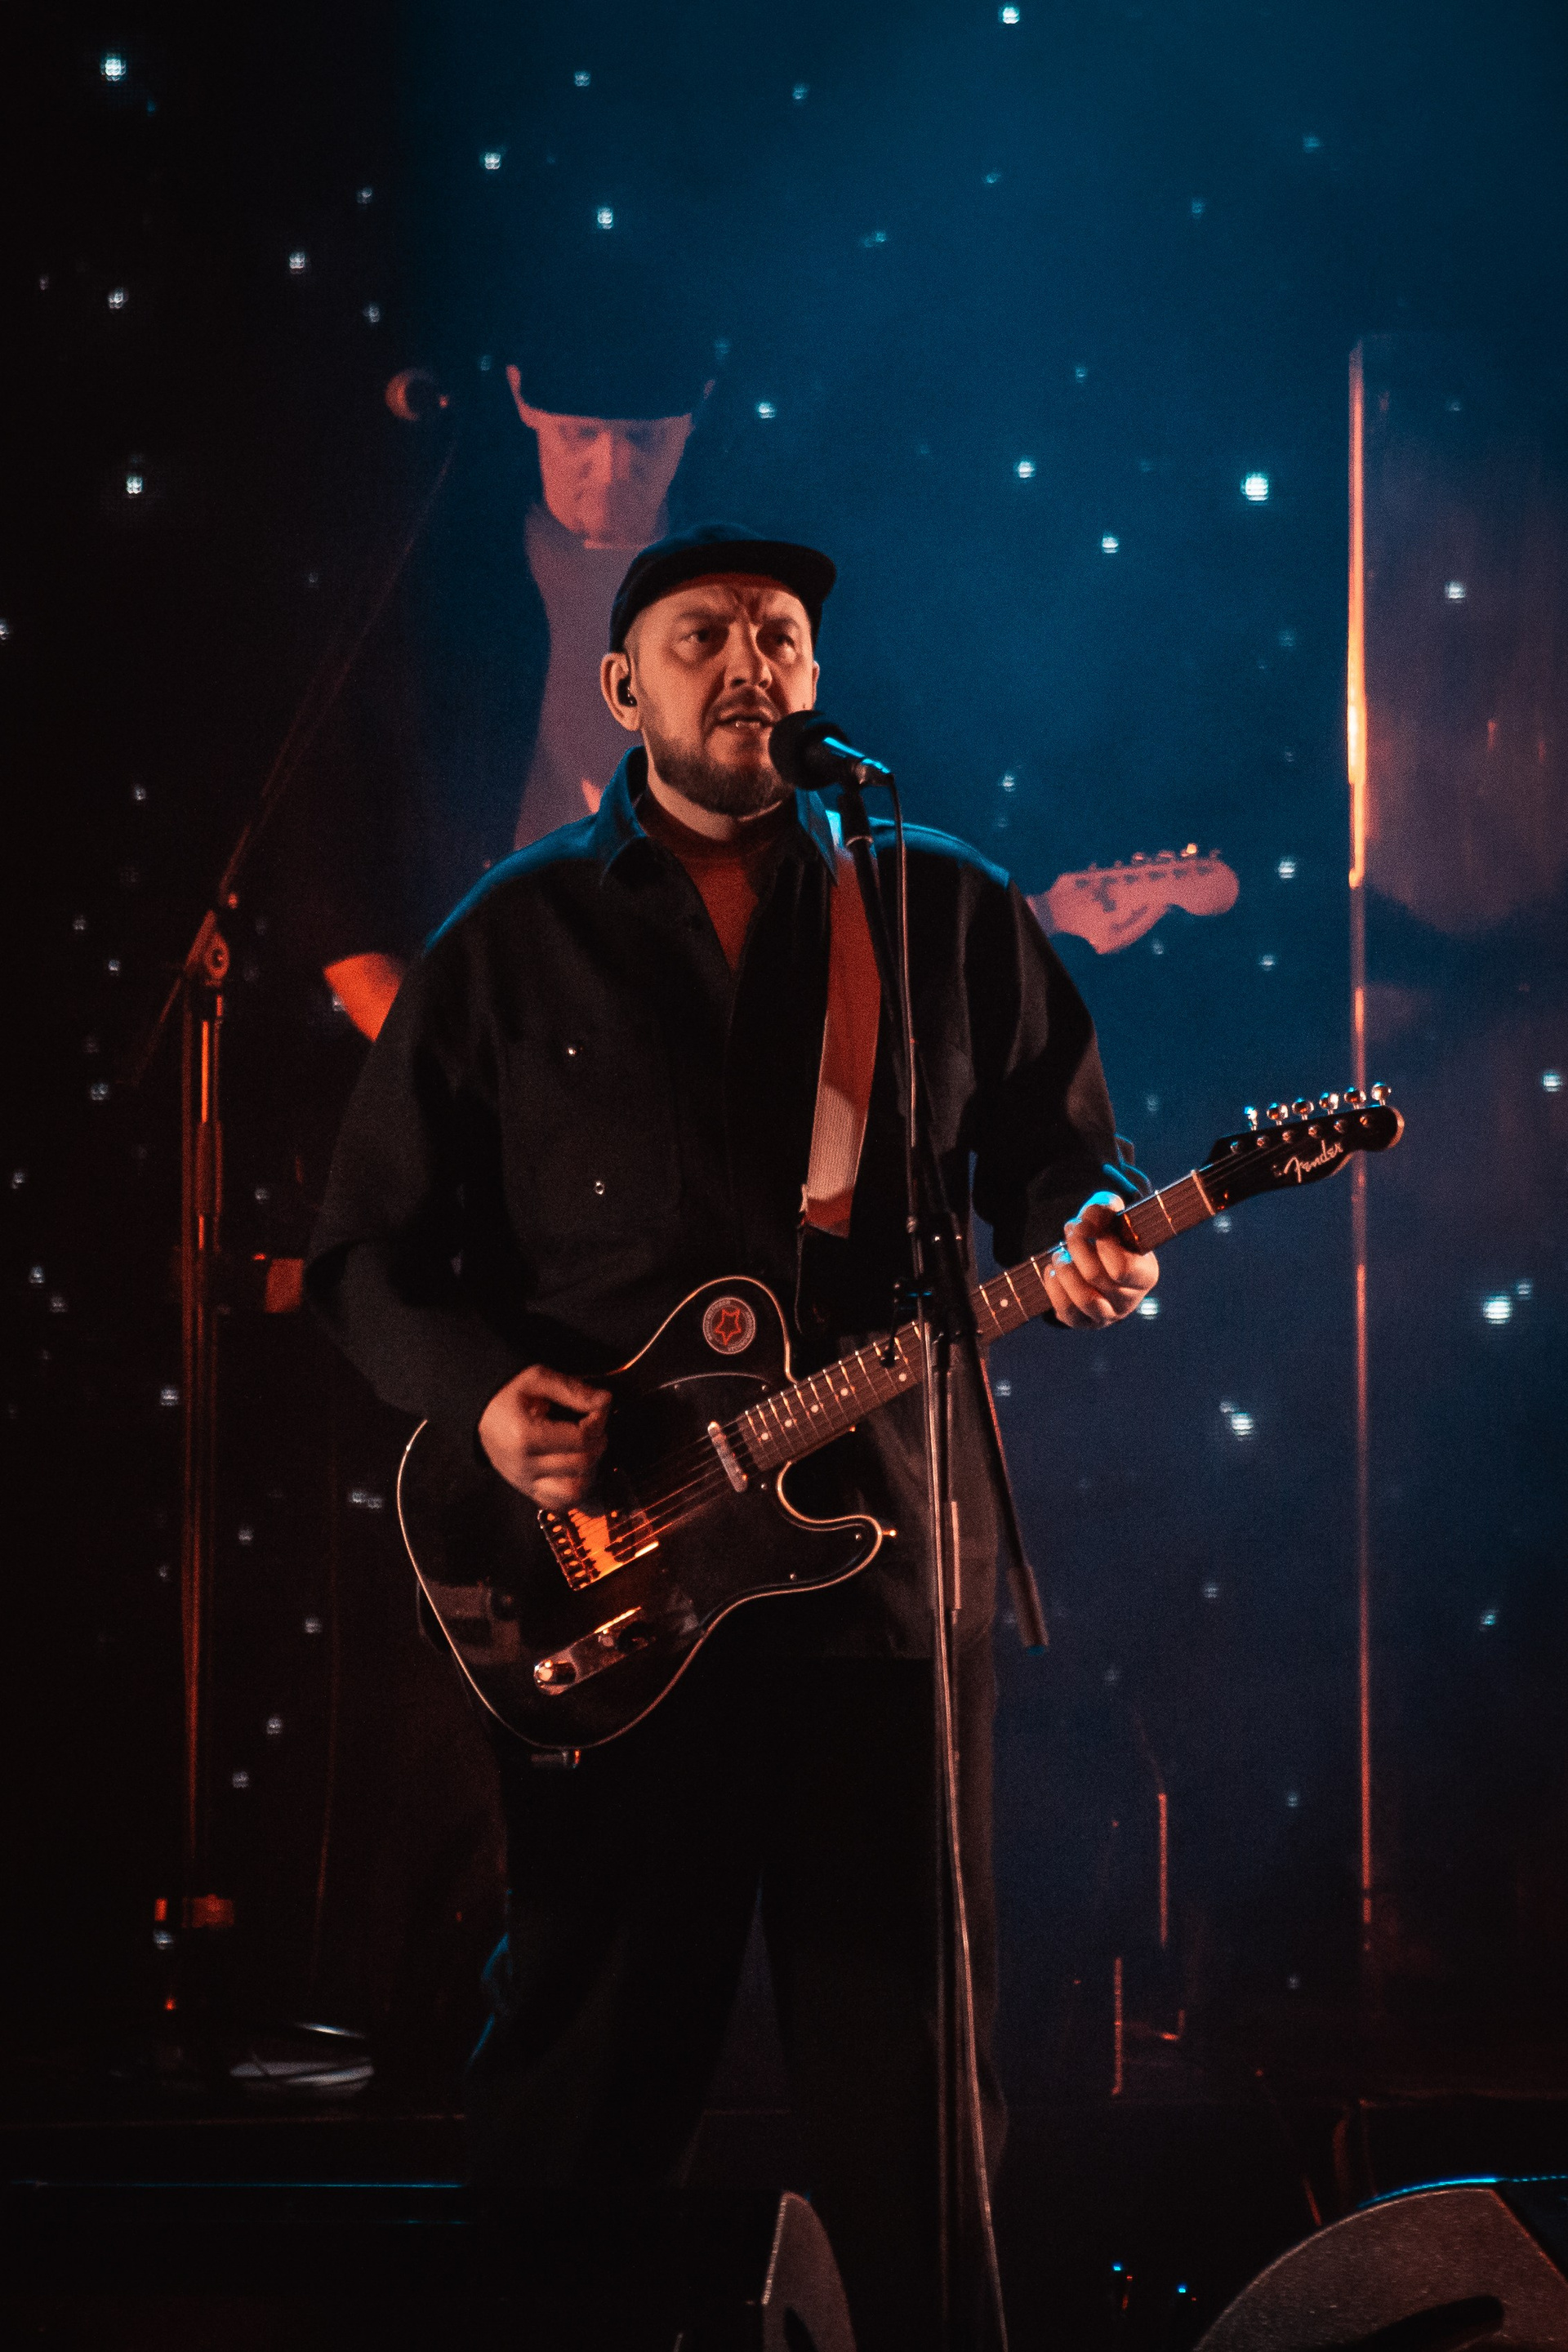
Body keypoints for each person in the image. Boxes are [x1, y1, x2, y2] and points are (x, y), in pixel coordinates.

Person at [305, 521, 1158, 2350]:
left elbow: (1060, 1153)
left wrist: (1089, 1225)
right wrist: (485, 1395)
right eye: (702, 635)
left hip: (887, 1583)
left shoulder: (938, 907)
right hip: (618, 1589)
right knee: (589, 2060)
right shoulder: (514, 934)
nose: (748, 659)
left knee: (914, 2073)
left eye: (778, 633)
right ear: (625, 689)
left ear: (817, 679)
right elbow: (366, 1259)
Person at [291, 298, 715, 1045]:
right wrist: (428, 1052)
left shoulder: (751, 598)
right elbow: (333, 852)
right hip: (499, 1023)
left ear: (697, 411)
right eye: (581, 434)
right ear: (522, 399)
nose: (611, 470)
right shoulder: (440, 593)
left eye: (643, 438)